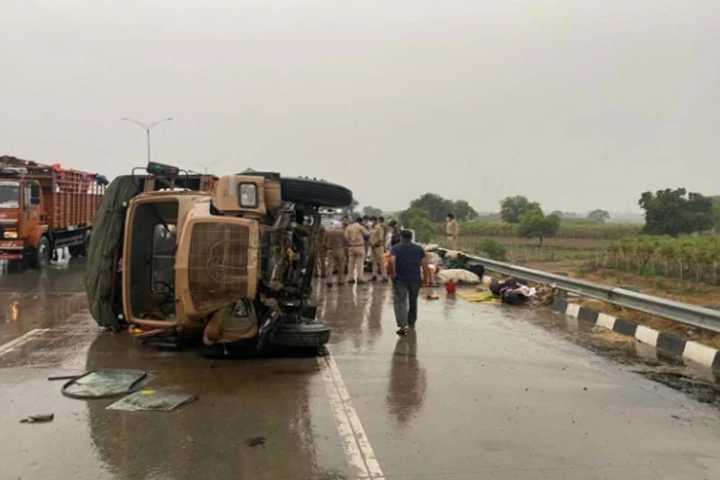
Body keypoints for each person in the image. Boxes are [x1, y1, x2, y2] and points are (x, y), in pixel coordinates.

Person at [389, 229, 427, 335]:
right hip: (415, 278)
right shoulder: (419, 248)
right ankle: (411, 322)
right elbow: (425, 264)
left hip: (400, 279)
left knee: (400, 302)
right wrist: (426, 279)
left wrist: (393, 273)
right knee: (413, 301)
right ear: (411, 237)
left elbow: (392, 260)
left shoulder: (395, 248)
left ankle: (403, 326)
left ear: (401, 237)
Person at [345, 217, 369, 284]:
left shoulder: (348, 227)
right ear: (360, 221)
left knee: (350, 264)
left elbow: (345, 237)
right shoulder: (360, 227)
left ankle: (350, 278)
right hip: (359, 247)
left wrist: (349, 242)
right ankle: (360, 278)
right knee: (360, 264)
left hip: (351, 247)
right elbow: (367, 234)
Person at [324, 221, 348, 286]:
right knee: (340, 266)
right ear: (339, 226)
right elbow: (346, 241)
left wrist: (327, 247)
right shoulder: (341, 232)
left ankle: (329, 281)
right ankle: (340, 281)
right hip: (339, 250)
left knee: (330, 266)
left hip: (330, 250)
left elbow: (324, 242)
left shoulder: (327, 232)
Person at [369, 217, 388, 282]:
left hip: (378, 247)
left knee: (381, 262)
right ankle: (374, 275)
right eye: (371, 220)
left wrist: (375, 244)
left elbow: (381, 239)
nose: (371, 222)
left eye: (373, 220)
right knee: (374, 262)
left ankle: (384, 277)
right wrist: (371, 244)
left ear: (376, 221)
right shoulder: (371, 228)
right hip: (372, 247)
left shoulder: (379, 228)